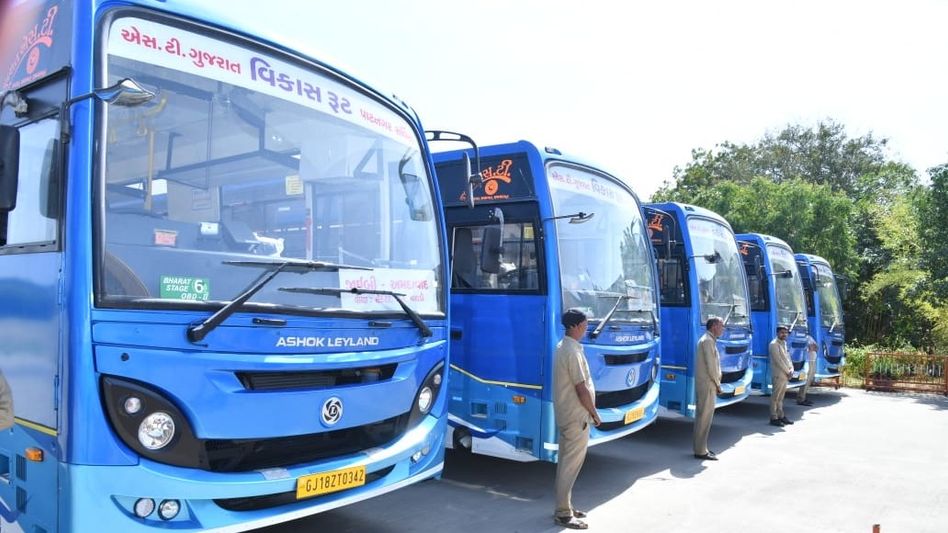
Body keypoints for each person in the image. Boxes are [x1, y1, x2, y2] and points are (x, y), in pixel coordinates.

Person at [553, 308, 601, 530]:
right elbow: (581, 388)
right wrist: (593, 412)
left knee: (567, 463)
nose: (586, 328)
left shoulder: (566, 347)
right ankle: (563, 513)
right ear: (573, 326)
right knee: (570, 466)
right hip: (576, 416)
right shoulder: (571, 352)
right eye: (584, 324)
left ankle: (566, 505)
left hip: (568, 415)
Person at [694, 317, 723, 460]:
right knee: (704, 418)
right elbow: (711, 367)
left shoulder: (710, 340)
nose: (722, 329)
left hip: (709, 383)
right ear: (713, 327)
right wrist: (718, 384)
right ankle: (700, 451)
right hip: (708, 384)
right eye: (721, 326)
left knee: (706, 418)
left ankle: (702, 448)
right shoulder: (707, 341)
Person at [768, 326, 794, 426]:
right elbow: (778, 360)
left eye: (786, 333)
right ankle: (773, 417)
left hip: (786, 374)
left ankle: (781, 416)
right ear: (777, 333)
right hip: (779, 374)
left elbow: (788, 358)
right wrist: (788, 371)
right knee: (775, 397)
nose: (784, 334)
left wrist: (792, 369)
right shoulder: (774, 344)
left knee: (781, 397)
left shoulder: (784, 343)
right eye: (782, 332)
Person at [796, 336, 817, 406]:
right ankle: (800, 398)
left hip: (812, 361)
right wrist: (812, 347)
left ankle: (803, 397)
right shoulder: (804, 338)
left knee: (809, 380)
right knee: (805, 380)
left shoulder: (809, 337)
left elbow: (816, 348)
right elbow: (811, 348)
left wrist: (813, 347)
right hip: (807, 362)